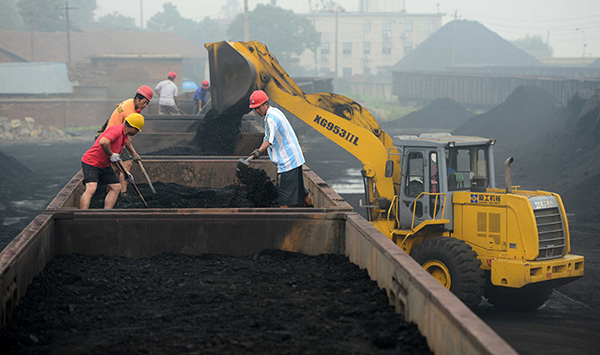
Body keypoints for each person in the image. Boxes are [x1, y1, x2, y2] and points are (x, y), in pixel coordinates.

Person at [248, 90, 312, 208]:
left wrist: (258, 151)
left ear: (265, 104)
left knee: (284, 201)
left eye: (258, 107)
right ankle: (311, 209)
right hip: (295, 158)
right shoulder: (275, 112)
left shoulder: (271, 119)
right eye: (255, 108)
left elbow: (268, 140)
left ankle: (287, 223)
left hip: (287, 162)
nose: (257, 110)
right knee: (302, 192)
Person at [80, 113, 145, 209]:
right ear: (133, 128)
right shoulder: (117, 130)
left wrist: (126, 173)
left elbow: (115, 159)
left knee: (116, 187)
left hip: (104, 165)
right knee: (91, 189)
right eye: (137, 130)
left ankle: (106, 212)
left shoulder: (124, 136)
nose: (137, 133)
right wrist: (111, 154)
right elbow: (103, 142)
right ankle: (82, 215)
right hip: (91, 162)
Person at [96, 85, 153, 194]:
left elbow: (119, 106)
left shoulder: (129, 102)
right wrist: (134, 154)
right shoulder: (130, 113)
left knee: (116, 166)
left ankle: (110, 187)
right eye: (143, 102)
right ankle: (123, 193)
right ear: (137, 98)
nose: (144, 105)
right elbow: (125, 136)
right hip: (111, 139)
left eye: (147, 103)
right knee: (126, 163)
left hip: (108, 135)